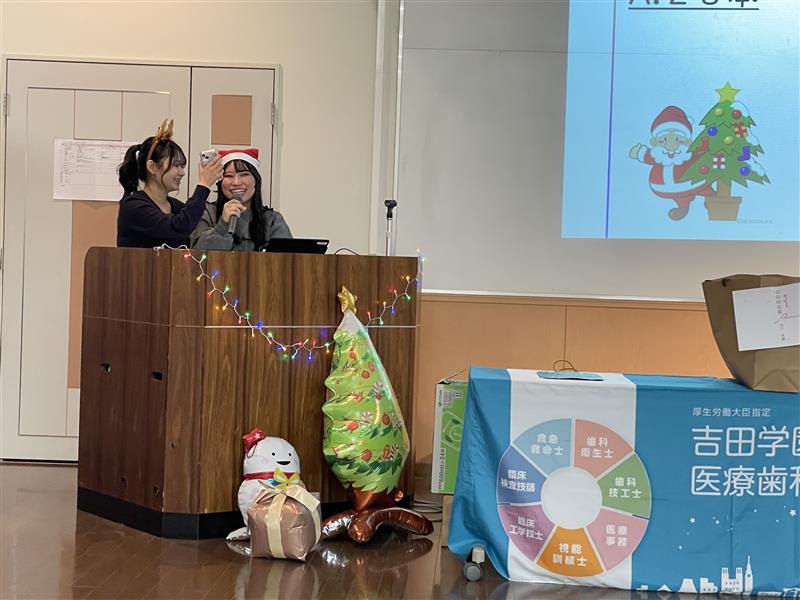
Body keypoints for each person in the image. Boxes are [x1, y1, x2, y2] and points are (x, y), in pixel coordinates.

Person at [117, 119, 224, 247]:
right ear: (152, 167)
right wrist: (204, 185)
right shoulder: (134, 206)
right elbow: (178, 228)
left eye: (182, 167)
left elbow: (189, 229)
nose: (182, 173)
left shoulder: (177, 206)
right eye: (176, 165)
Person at [190, 148, 292, 251]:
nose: (236, 182)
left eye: (244, 174)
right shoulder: (207, 213)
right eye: (228, 176)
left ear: (256, 181)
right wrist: (223, 225)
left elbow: (287, 258)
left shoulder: (272, 220)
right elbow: (197, 254)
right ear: (220, 182)